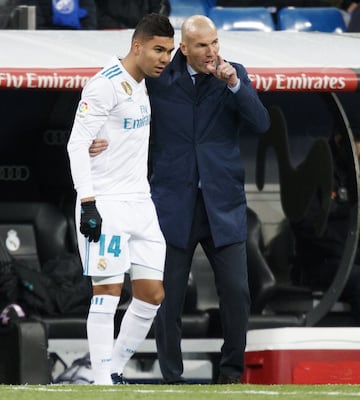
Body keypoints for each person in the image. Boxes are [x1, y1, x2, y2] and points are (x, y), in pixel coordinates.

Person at [90, 15, 270, 384]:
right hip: (172, 206)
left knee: (237, 293)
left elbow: (261, 123)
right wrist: (96, 135)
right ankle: (172, 378)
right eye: (202, 46)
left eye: (215, 43)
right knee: (166, 298)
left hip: (223, 205)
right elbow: (115, 95)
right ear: (183, 49)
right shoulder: (159, 79)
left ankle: (231, 375)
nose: (212, 52)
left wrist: (235, 84)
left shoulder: (233, 76)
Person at [67, 13, 174, 385]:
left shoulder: (142, 83)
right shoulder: (104, 85)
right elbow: (77, 144)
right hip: (108, 202)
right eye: (158, 49)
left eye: (170, 52)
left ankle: (113, 368)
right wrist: (88, 202)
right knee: (108, 292)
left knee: (152, 294)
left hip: (141, 204)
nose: (165, 58)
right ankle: (100, 381)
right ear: (137, 46)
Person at [290, 127, 360, 319]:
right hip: (319, 263)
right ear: (341, 139)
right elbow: (304, 225)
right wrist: (346, 249)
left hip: (351, 260)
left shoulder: (355, 175)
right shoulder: (312, 172)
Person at [94, 0, 170, 30]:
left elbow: (161, 9)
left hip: (144, 32)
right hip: (110, 32)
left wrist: (145, 28)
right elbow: (96, 11)